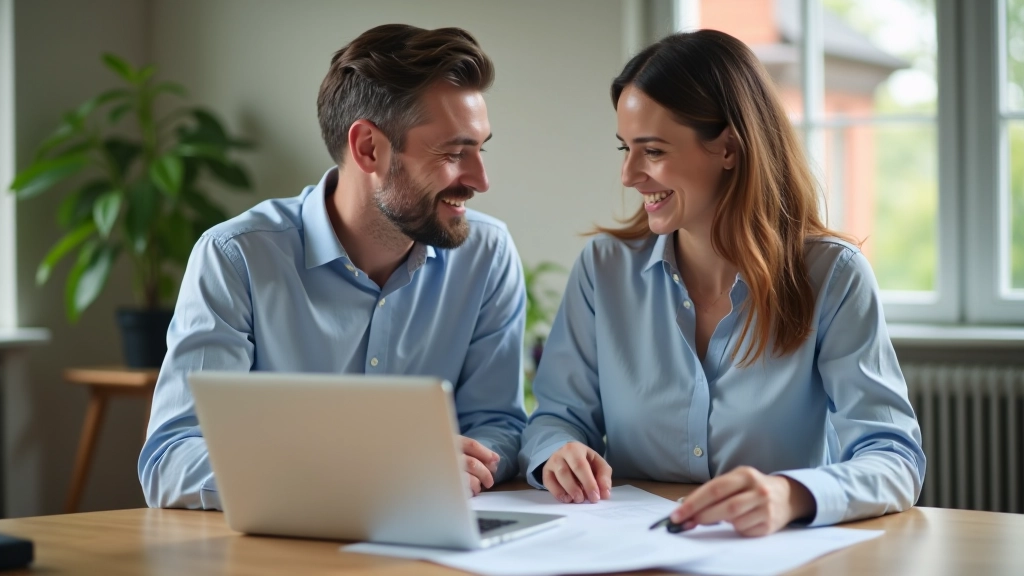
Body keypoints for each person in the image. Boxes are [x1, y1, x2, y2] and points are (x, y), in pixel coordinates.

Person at [519, 29, 926, 537]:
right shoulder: (604, 269)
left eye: (653, 151)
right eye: (625, 148)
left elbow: (893, 455)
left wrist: (790, 494)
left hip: (776, 554)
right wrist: (558, 453)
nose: (628, 174)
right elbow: (554, 417)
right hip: (631, 552)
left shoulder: (833, 276)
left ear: (729, 148)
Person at [139, 24, 528, 509]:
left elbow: (498, 423)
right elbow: (171, 459)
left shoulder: (486, 256)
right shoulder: (236, 257)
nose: (481, 180)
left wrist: (466, 464)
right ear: (368, 148)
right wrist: (371, 471)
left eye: (480, 148)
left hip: (435, 542)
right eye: (452, 153)